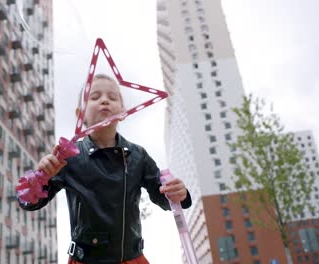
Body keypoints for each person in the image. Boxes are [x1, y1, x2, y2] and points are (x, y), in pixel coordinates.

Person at [18, 74, 192, 264]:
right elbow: (30, 202)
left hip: (131, 259)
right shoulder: (67, 158)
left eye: (112, 97)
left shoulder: (138, 155)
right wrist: (40, 177)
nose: (104, 100)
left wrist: (178, 194)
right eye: (94, 97)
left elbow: (164, 197)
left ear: (123, 111)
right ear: (80, 114)